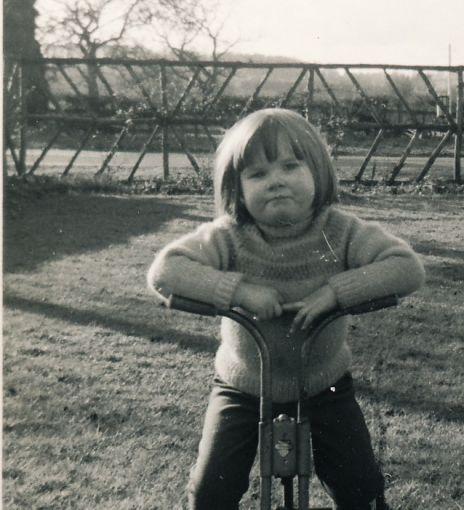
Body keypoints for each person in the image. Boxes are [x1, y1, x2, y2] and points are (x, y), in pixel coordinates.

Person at [147, 108, 425, 510]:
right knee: (210, 492)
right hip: (243, 387)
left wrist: (335, 292)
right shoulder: (231, 235)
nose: (275, 181)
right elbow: (164, 271)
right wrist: (240, 291)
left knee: (361, 488)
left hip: (324, 385)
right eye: (257, 174)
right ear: (237, 188)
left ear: (318, 171)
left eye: (290, 166)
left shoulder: (339, 230)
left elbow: (406, 268)